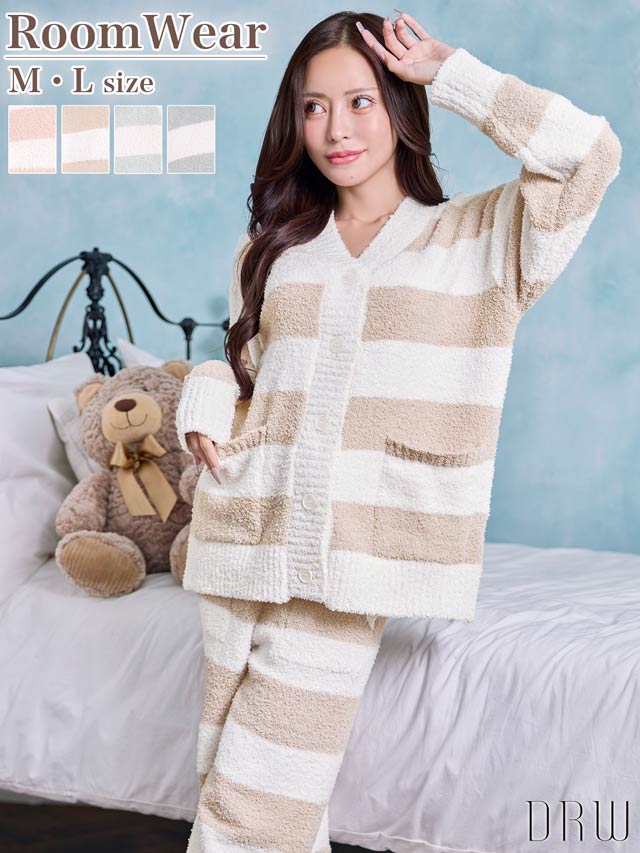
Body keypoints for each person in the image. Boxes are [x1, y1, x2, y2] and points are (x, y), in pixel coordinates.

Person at [175, 10, 621, 852]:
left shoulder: (480, 242)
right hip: (244, 534)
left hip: (353, 557)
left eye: (360, 101)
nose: (335, 130)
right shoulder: (272, 250)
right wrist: (201, 404)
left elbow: (589, 155)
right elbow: (245, 372)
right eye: (313, 107)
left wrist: (454, 75)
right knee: (239, 785)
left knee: (245, 811)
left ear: (402, 105)